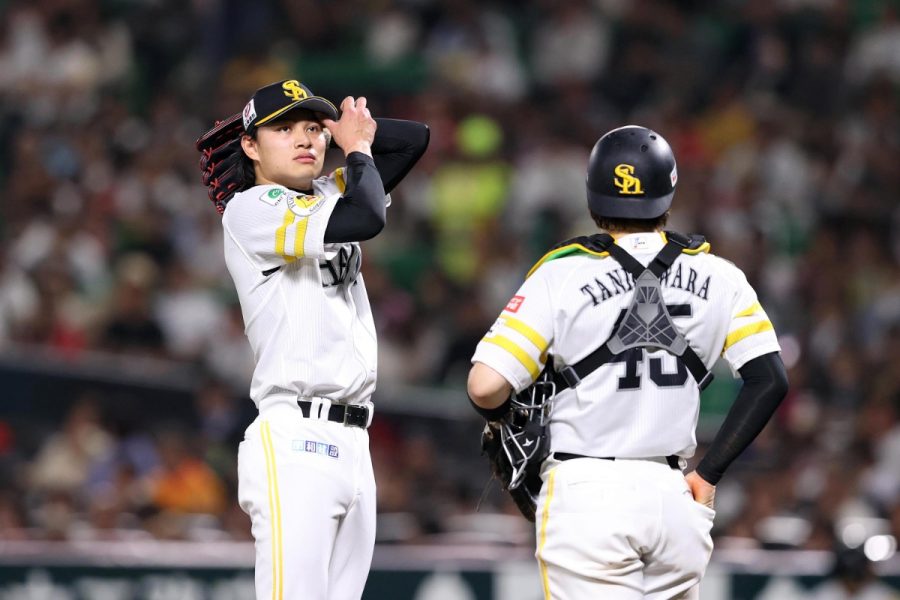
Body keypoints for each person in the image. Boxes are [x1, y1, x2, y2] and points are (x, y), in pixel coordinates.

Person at [467, 125, 789, 599]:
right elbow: (770, 380)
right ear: (668, 192)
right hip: (674, 498)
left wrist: (501, 417)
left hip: (587, 493)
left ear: (593, 195)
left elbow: (484, 386)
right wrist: (709, 473)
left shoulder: (562, 273)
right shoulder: (721, 276)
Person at [195, 79, 428, 600]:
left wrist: (345, 131)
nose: (304, 139)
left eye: (311, 128)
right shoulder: (253, 208)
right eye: (283, 129)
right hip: (295, 437)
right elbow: (367, 217)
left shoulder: (325, 193)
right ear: (250, 145)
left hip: (354, 440)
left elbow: (414, 140)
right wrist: (356, 146)